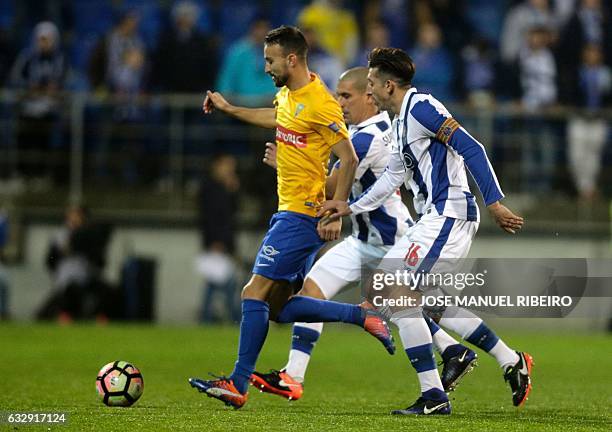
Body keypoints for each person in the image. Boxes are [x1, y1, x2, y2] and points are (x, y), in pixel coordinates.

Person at [252, 66, 530, 411]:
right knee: (324, 291)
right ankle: (294, 376)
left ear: (374, 93)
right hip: (367, 237)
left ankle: (457, 375)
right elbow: (384, 183)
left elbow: (326, 183)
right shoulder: (390, 127)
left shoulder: (377, 133)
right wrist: (348, 208)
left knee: (411, 302)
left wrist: (288, 166)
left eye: (346, 95)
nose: (340, 103)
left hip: (394, 232)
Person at [188, 26, 395, 410]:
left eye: (270, 60)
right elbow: (279, 118)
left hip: (301, 215)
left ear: (292, 59)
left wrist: (336, 207)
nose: (266, 66)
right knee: (281, 308)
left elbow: (348, 157)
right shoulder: (288, 95)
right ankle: (362, 315)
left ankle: (237, 383)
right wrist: (230, 108)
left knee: (253, 293)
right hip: (289, 212)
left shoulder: (320, 101)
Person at [197, 154, 240, 323]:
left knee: (215, 283)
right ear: (217, 166)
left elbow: (232, 214)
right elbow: (209, 217)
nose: (230, 170)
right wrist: (214, 241)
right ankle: (234, 319)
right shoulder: (208, 188)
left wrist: (233, 192)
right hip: (216, 242)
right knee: (224, 284)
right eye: (227, 165)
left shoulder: (226, 188)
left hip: (226, 241)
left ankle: (208, 318)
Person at [215, 18, 276, 106]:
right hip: (242, 105)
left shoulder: (277, 52)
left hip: (269, 105)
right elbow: (227, 79)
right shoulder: (238, 52)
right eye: (258, 28)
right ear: (252, 30)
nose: (262, 33)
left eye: (265, 29)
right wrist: (225, 101)